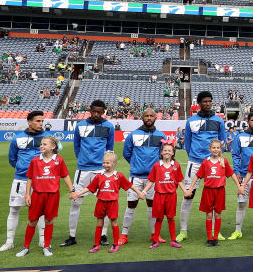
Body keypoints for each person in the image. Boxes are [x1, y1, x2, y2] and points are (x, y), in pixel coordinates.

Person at [62, 99, 115, 248]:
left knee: (105, 203)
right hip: (83, 169)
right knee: (76, 202)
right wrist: (83, 160)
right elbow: (77, 147)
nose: (96, 114)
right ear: (90, 110)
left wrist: (104, 165)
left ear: (103, 112)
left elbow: (109, 149)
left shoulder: (109, 127)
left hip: (101, 170)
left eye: (100, 112)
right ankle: (72, 236)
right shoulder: (80, 126)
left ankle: (103, 235)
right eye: (94, 111)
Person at [70, 150, 145, 253]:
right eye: (104, 162)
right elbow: (89, 187)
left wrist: (139, 192)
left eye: (108, 163)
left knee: (114, 223)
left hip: (113, 203)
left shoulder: (118, 176)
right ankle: (96, 245)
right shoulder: (99, 176)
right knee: (99, 223)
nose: (105, 165)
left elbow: (129, 185)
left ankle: (115, 244)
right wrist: (78, 194)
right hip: (101, 202)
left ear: (114, 163)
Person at [178, 91, 226, 242]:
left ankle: (215, 231)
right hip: (196, 162)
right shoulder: (191, 120)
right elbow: (188, 142)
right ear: (199, 103)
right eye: (204, 101)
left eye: (209, 101)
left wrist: (217, 159)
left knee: (215, 199)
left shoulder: (219, 121)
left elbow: (222, 141)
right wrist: (193, 157)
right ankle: (183, 231)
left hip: (215, 163)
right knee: (188, 195)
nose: (207, 104)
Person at [16, 136, 74, 257]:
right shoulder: (35, 161)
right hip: (37, 195)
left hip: (52, 196)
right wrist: (27, 194)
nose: (41, 146)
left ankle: (46, 246)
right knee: (32, 221)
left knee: (48, 220)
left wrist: (71, 190)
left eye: (44, 144)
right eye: (41, 144)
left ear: (53, 147)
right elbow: (30, 178)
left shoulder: (59, 160)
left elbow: (65, 176)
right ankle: (26, 247)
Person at [0, 110, 48, 252]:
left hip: (41, 180)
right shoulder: (18, 138)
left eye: (42, 121)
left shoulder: (48, 138)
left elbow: (54, 157)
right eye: (38, 121)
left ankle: (42, 239)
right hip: (21, 180)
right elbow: (12, 159)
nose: (41, 124)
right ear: (29, 122)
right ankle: (9, 241)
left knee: (42, 211)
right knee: (14, 209)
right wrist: (24, 171)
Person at [120, 108, 166, 245]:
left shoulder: (161, 135)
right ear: (142, 117)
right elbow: (126, 153)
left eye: (152, 115)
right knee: (131, 205)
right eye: (146, 116)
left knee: (152, 206)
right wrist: (136, 165)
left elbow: (163, 154)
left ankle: (154, 235)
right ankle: (124, 235)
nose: (149, 118)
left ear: (156, 118)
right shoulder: (133, 135)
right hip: (136, 176)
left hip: (153, 178)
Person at [186, 139, 239, 246]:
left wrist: (239, 186)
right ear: (209, 149)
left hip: (220, 191)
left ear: (221, 149)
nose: (215, 149)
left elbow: (231, 174)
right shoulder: (206, 161)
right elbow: (198, 175)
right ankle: (209, 238)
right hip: (208, 191)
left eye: (218, 148)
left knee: (218, 214)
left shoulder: (223, 161)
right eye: (213, 148)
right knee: (209, 214)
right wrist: (191, 188)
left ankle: (216, 238)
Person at [229, 111, 253, 240]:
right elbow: (235, 155)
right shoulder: (240, 137)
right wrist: (237, 172)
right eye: (252, 120)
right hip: (244, 175)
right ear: (248, 121)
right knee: (241, 204)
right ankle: (238, 230)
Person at [146, 142, 185, 248]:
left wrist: (185, 191)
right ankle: (155, 240)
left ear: (173, 153)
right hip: (159, 195)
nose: (167, 152)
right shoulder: (157, 165)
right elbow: (151, 180)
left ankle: (173, 240)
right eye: (165, 150)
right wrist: (144, 191)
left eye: (169, 150)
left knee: (170, 218)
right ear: (161, 152)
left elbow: (180, 180)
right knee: (158, 218)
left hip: (171, 195)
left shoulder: (176, 165)